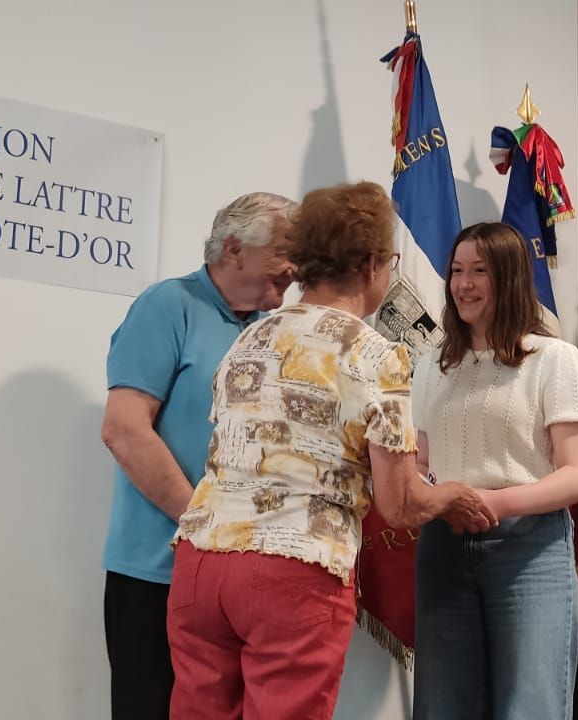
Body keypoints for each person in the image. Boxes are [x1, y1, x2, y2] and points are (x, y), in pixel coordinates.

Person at [166, 182, 497, 720]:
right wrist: (451, 497)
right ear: (371, 265)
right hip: (292, 567)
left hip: (200, 564)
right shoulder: (375, 355)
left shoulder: (248, 338)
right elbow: (400, 504)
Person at [99, 191, 298, 720]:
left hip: (242, 577)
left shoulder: (272, 328)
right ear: (234, 248)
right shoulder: (168, 305)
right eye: (284, 253)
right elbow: (124, 429)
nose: (294, 269)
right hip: (158, 573)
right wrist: (205, 526)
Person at [410, 222, 578, 720]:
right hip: (443, 546)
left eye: (479, 271)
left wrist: (492, 502)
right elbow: (422, 463)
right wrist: (433, 498)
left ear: (509, 277)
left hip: (528, 549)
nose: (463, 284)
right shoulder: (431, 364)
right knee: (442, 707)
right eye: (456, 271)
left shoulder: (555, 360)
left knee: (530, 706)